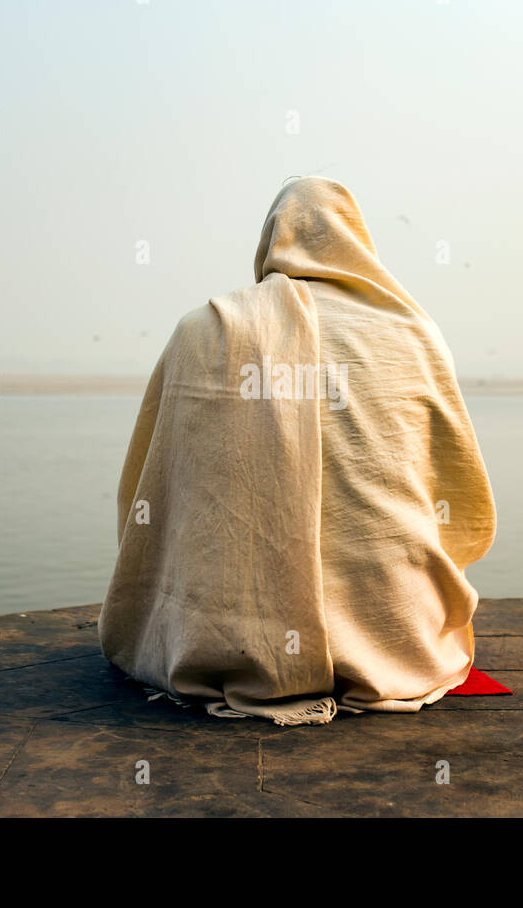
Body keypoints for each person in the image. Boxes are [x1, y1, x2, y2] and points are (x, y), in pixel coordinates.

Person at [98, 176, 496, 725]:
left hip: (218, 644)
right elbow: (458, 493)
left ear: (269, 240)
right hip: (397, 639)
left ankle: (243, 639)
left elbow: (149, 496)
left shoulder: (202, 330)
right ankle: (375, 619)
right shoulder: (414, 335)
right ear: (357, 238)